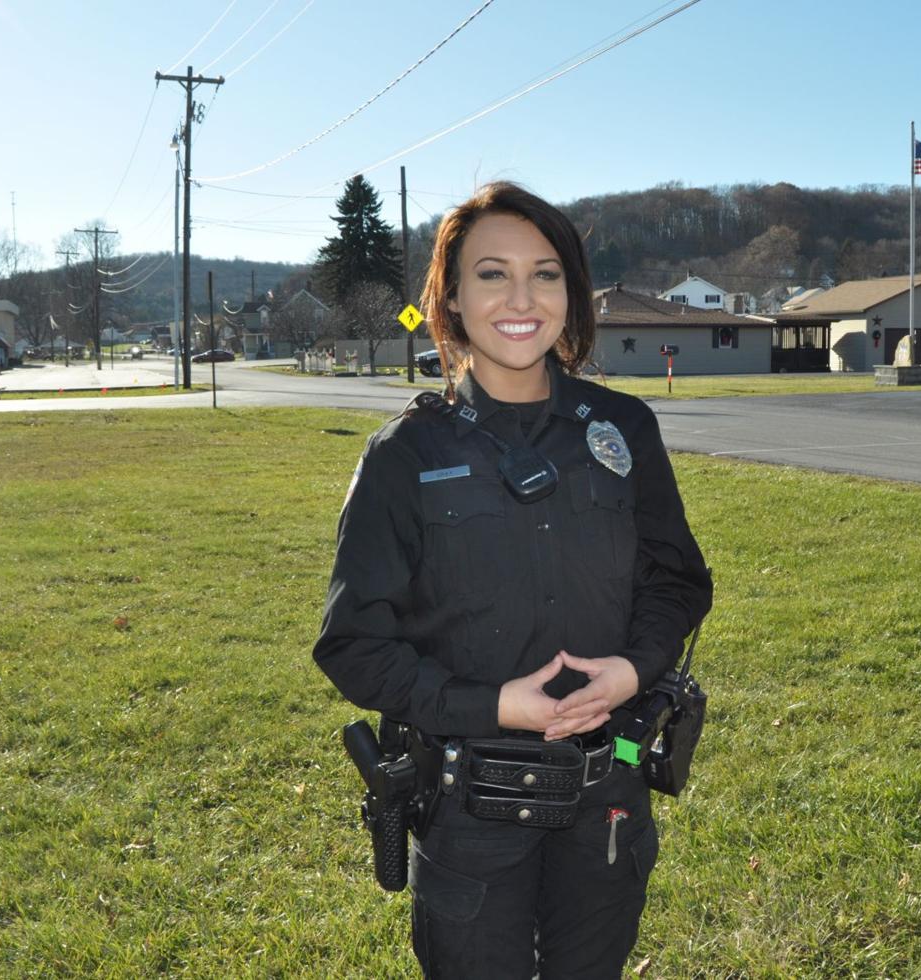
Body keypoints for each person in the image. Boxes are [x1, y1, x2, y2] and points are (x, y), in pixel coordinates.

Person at [314, 181, 713, 979]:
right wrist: (496, 705)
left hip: (610, 793)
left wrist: (634, 669)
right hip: (470, 809)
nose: (521, 297)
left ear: (572, 291)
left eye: (546, 273)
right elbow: (353, 647)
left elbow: (678, 582)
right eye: (492, 274)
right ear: (451, 299)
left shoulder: (624, 428)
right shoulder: (406, 454)